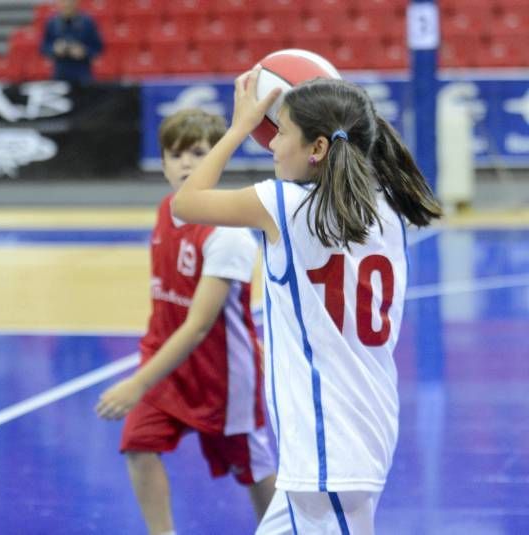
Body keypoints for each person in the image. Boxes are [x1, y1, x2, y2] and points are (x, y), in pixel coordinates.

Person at [171, 69, 443, 534]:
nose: (270, 144)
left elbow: (186, 202)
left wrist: (238, 127)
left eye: (281, 133)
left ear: (318, 148)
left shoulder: (284, 205)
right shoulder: (389, 212)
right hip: (352, 431)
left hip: (328, 442)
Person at [96, 108, 277, 535]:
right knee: (138, 445)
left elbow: (198, 325)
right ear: (161, 164)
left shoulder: (228, 233)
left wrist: (137, 383)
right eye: (175, 155)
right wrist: (148, 374)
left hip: (221, 375)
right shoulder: (165, 211)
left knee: (252, 468)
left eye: (198, 153)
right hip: (166, 364)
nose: (186, 164)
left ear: (217, 159)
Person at [40, 0, 103, 84]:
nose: (67, 5)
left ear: (76, 3)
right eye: (64, 2)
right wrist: (54, 49)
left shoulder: (87, 22)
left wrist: (84, 51)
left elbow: (98, 48)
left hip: (82, 74)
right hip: (60, 72)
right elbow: (43, 47)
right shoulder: (52, 23)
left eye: (70, 2)